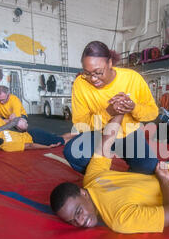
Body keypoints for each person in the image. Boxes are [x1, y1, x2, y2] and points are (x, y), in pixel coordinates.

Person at [64, 40, 159, 175]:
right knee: (74, 154)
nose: (93, 79)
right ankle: (96, 176)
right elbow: (80, 124)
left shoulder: (132, 78)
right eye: (87, 73)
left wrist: (133, 108)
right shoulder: (80, 84)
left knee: (148, 168)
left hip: (129, 133)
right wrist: (108, 112)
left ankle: (130, 172)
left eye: (98, 72)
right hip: (98, 133)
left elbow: (153, 112)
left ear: (110, 63)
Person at [0, 117, 72, 152]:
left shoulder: (6, 147)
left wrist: (47, 147)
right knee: (58, 137)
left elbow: (30, 145)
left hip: (37, 139)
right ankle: (79, 134)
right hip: (33, 132)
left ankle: (81, 137)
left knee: (63, 141)